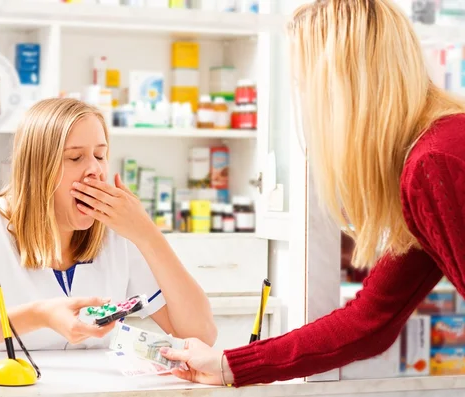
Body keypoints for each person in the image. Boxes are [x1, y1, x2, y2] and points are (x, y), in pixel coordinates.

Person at [160, 0, 465, 386]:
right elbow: (370, 321)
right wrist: (229, 365)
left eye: (306, 84)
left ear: (344, 87)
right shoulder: (429, 155)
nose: (305, 102)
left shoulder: (436, 162)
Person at [0, 98, 217, 351]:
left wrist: (148, 234)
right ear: (37, 168)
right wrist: (38, 315)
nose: (95, 169)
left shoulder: (118, 234)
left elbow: (200, 333)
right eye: (75, 157)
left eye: (100, 155)